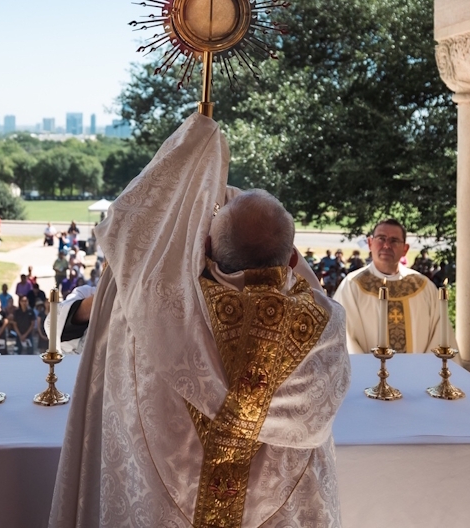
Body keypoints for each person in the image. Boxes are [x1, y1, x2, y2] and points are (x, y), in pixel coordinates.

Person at [49, 114, 350, 527]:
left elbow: (119, 268)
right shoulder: (325, 323)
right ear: (293, 259)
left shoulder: (153, 310)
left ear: (206, 246)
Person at [334, 219, 459, 354]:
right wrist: (368, 367)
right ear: (370, 243)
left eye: (394, 241)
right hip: (366, 368)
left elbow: (440, 336)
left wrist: (424, 367)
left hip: (418, 368)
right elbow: (344, 338)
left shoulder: (424, 287)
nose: (387, 245)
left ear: (405, 249)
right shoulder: (352, 286)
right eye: (381, 238)